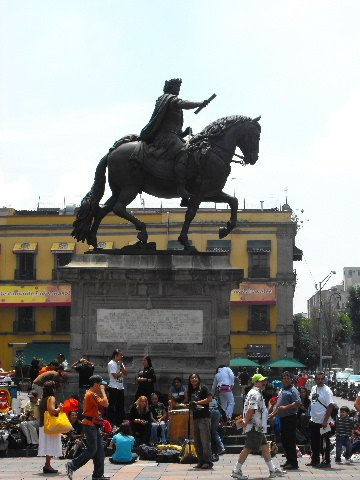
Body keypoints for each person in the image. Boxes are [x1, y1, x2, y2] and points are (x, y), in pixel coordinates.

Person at [139, 78, 210, 199]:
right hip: (165, 137)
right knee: (184, 151)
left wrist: (184, 133)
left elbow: (173, 127)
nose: (178, 89)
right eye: (176, 87)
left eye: (179, 87)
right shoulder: (168, 99)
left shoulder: (168, 101)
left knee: (192, 149)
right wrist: (199, 104)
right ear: (170, 87)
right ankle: (181, 188)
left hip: (172, 136)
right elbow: (182, 103)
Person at [231, 373, 284, 480]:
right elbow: (252, 409)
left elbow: (258, 411)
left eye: (264, 380)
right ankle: (236, 470)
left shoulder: (256, 392)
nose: (264, 383)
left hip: (258, 426)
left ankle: (272, 470)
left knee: (265, 447)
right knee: (248, 448)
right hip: (255, 426)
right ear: (255, 382)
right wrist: (245, 421)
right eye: (261, 381)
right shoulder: (255, 393)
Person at [66, 375, 110, 480]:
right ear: (95, 384)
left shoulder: (91, 393)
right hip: (89, 425)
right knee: (92, 449)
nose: (101, 386)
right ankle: (72, 465)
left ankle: (98, 475)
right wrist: (103, 391)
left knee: (99, 451)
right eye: (100, 384)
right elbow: (106, 403)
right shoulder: (91, 394)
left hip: (93, 425)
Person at [269, 371, 301, 470]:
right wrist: (273, 414)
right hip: (282, 418)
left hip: (290, 418)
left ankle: (294, 463)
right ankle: (289, 460)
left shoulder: (293, 390)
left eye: (288, 378)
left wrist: (285, 408)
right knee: (285, 440)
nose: (286, 380)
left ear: (291, 379)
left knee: (290, 441)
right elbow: (278, 406)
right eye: (284, 378)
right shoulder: (283, 389)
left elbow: (297, 403)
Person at [307, 371, 334, 468]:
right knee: (314, 442)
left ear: (325, 379)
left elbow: (330, 406)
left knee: (324, 443)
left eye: (322, 379)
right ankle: (314, 461)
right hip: (314, 420)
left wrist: (325, 421)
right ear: (315, 380)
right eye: (318, 379)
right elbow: (312, 402)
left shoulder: (327, 390)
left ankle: (326, 461)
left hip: (323, 421)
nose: (320, 380)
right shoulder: (314, 388)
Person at [187, 373, 213, 470]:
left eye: (195, 377)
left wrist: (197, 402)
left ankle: (208, 462)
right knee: (197, 441)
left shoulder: (203, 388)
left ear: (198, 379)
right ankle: (201, 461)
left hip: (204, 417)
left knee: (205, 441)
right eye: (192, 378)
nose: (193, 379)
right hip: (195, 417)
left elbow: (210, 399)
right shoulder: (191, 391)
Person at [38, 381, 63, 474]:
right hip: (50, 425)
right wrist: (59, 408)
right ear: (52, 388)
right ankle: (48, 465)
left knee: (48, 445)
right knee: (51, 444)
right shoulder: (51, 398)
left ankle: (47, 465)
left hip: (43, 424)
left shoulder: (43, 398)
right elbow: (52, 410)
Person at [107, 349, 127, 426]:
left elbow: (126, 373)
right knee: (112, 406)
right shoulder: (111, 363)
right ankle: (110, 422)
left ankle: (119, 422)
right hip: (113, 387)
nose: (122, 357)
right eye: (120, 355)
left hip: (120, 387)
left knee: (120, 406)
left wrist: (121, 366)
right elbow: (115, 376)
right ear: (116, 355)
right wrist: (122, 371)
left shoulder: (121, 363)